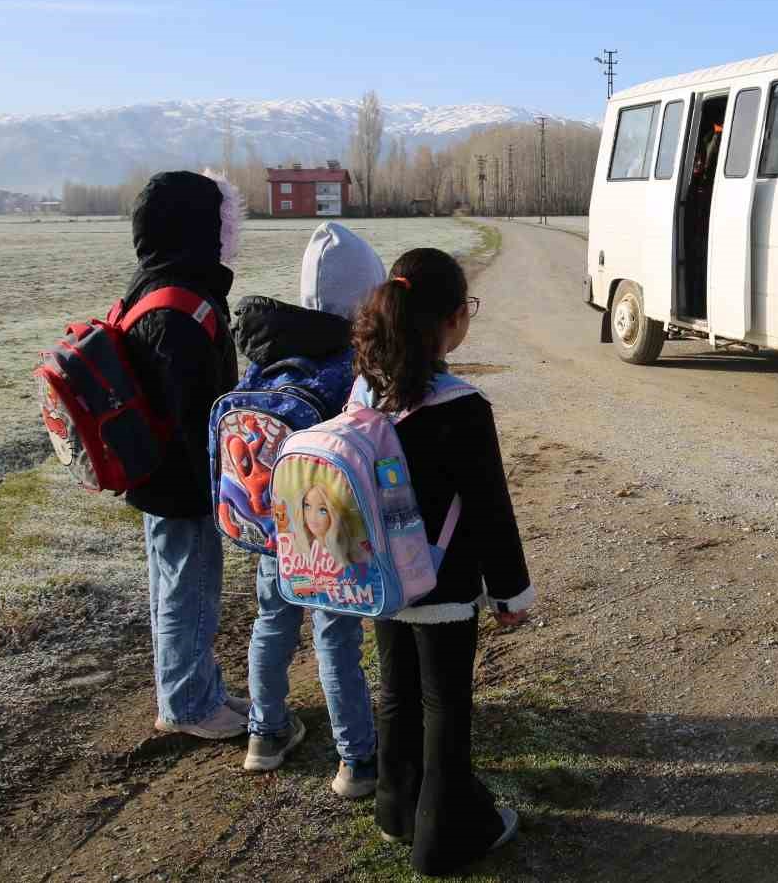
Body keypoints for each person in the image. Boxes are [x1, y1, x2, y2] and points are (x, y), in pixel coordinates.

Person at [349, 247, 535, 876]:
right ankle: (444, 840)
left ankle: (396, 809)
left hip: (381, 578)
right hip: (443, 584)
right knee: (445, 706)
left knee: (396, 693)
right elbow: (489, 511)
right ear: (452, 318)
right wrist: (509, 594)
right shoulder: (462, 405)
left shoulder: (364, 391)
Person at [231, 221, 386, 797]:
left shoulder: (268, 357)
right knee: (335, 636)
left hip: (270, 528)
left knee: (270, 622)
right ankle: (357, 760)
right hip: (325, 534)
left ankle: (265, 734)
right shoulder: (349, 367)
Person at [124, 169, 248, 739]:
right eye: (222, 223)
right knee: (188, 592)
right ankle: (189, 705)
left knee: (173, 588)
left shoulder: (154, 286)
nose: (228, 235)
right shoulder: (180, 306)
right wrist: (219, 492)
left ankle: (190, 688)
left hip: (158, 476)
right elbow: (194, 411)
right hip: (183, 484)